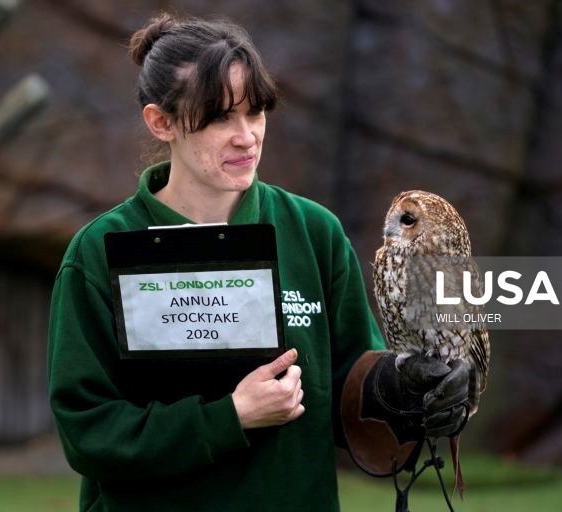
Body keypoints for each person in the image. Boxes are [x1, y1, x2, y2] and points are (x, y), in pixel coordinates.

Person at [47, 12, 469, 512]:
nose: (246, 136)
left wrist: (407, 392)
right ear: (162, 122)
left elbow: (349, 394)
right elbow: (88, 429)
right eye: (220, 117)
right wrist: (229, 417)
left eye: (256, 112)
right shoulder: (100, 251)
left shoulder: (314, 233)